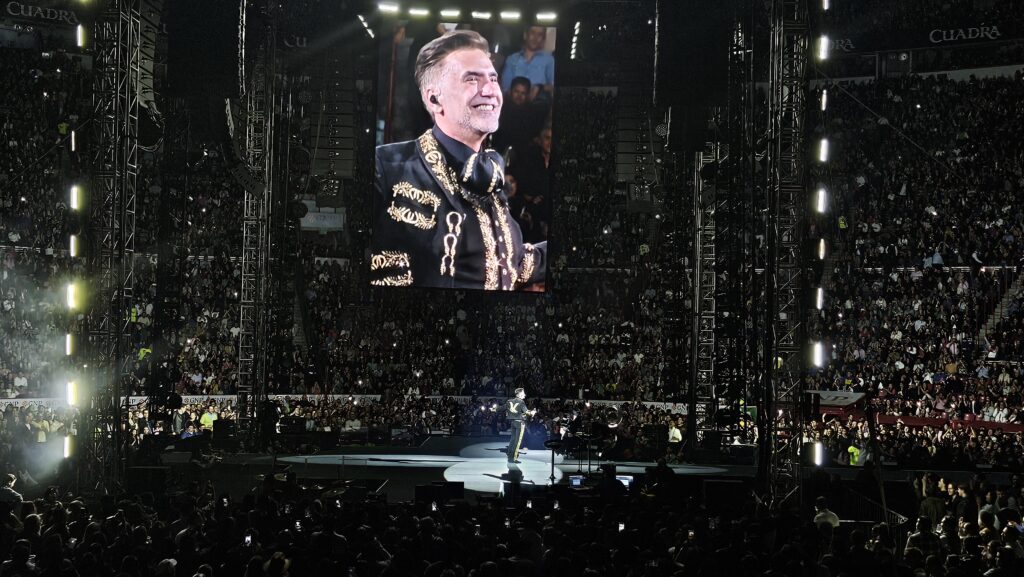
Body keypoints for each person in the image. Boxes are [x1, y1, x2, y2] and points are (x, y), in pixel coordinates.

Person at [371, 30, 546, 290]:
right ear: (434, 98)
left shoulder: (490, 177)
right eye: (471, 79)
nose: (490, 90)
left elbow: (513, 263)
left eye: (493, 78)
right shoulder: (385, 166)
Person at [500, 26, 554, 102]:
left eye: (540, 35)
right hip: (514, 107)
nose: (535, 38)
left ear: (543, 39)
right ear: (525, 35)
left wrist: (540, 88)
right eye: (532, 33)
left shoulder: (549, 60)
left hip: (538, 107)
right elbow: (505, 88)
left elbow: (553, 87)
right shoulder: (512, 59)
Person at [506, 388, 536, 463]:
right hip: (520, 423)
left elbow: (501, 408)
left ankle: (509, 454)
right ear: (519, 394)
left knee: (512, 439)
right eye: (523, 393)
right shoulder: (521, 402)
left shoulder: (509, 401)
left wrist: (494, 409)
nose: (525, 395)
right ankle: (514, 458)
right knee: (517, 441)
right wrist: (532, 412)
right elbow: (527, 412)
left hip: (513, 422)